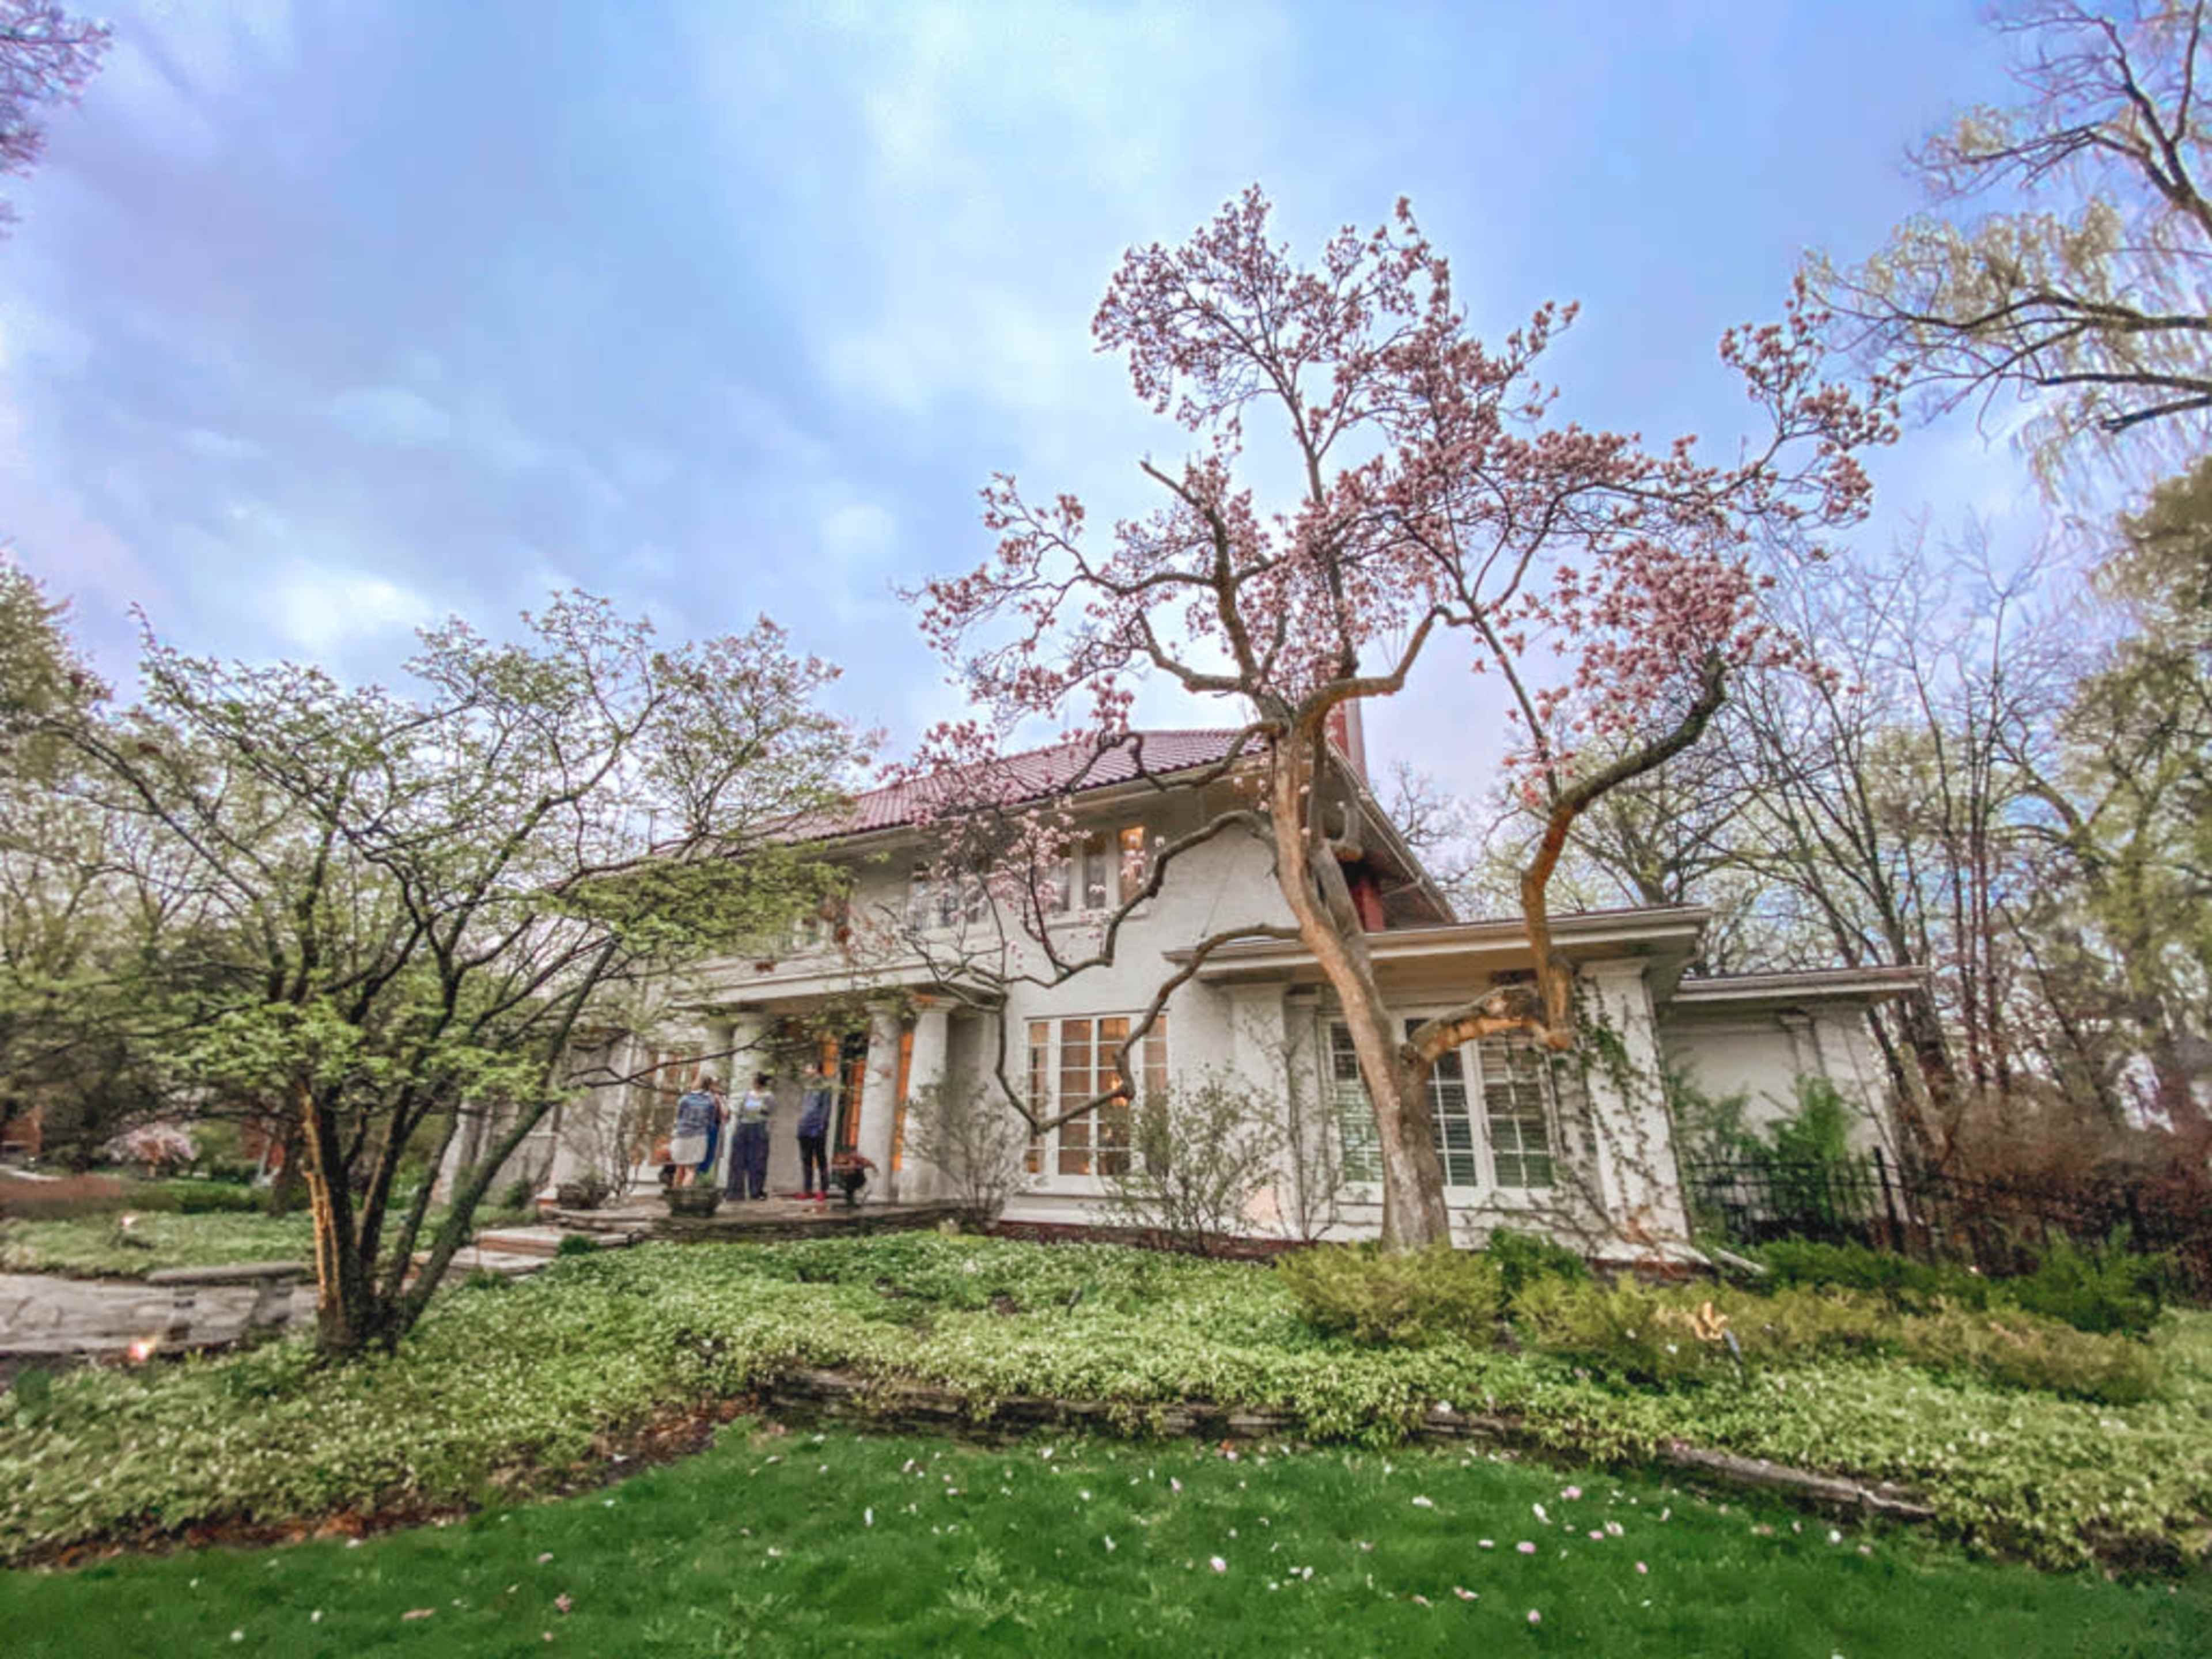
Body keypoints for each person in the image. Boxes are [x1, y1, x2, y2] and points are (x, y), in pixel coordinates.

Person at [726, 1071, 777, 1200]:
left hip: (758, 1127)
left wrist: (753, 1107)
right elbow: (740, 1111)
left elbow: (769, 1111)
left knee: (758, 1161)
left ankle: (756, 1191)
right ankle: (735, 1191)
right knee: (738, 1160)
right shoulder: (747, 1095)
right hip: (744, 1126)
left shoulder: (768, 1096)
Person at [668, 1074, 721, 1187]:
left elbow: (678, 1117)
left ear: (698, 1083)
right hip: (700, 1136)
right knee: (691, 1170)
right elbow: (711, 1121)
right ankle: (684, 1196)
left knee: (679, 1167)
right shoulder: (711, 1101)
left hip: (682, 1135)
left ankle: (675, 1194)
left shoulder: (685, 1099)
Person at [796, 1063, 835, 1200]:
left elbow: (826, 1108)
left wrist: (822, 1126)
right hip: (804, 1127)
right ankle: (807, 1189)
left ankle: (823, 1189)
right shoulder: (807, 1086)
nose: (806, 1070)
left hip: (817, 1127)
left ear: (815, 1069)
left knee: (820, 1159)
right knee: (806, 1159)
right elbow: (803, 1108)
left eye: (808, 1067)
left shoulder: (825, 1086)